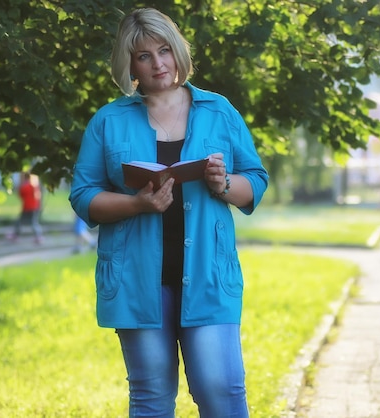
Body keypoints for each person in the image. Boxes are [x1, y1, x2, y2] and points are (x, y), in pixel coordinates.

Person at [68, 8, 268, 417]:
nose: (158, 63)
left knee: (221, 391)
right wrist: (136, 203)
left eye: (164, 50)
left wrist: (223, 183)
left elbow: (256, 179)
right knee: (152, 398)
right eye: (144, 56)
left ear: (177, 52)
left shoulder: (219, 111)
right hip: (136, 281)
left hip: (209, 276)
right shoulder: (108, 121)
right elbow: (84, 195)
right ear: (130, 64)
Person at [7, 171, 43, 244]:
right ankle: (38, 236)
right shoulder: (35, 185)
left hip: (27, 207)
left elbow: (20, 194)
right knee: (34, 222)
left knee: (20, 222)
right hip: (35, 207)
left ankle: (15, 235)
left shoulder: (26, 186)